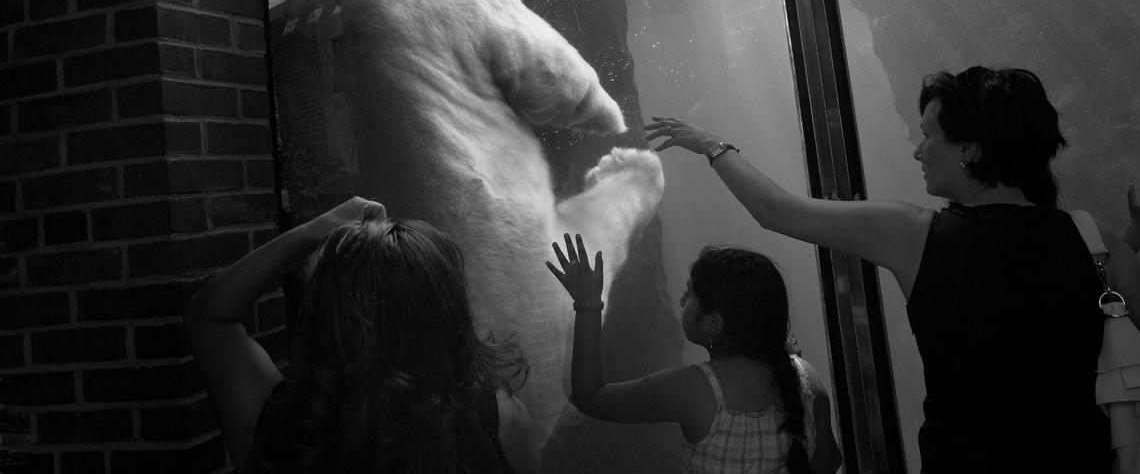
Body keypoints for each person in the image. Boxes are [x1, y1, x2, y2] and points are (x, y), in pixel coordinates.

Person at [645, 65, 1140, 474]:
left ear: (971, 150)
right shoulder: (1091, 237)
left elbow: (776, 212)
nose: (918, 151)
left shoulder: (914, 235)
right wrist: (1136, 235)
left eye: (930, 135)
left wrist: (713, 146)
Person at [185, 197, 542, 474]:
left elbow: (209, 316)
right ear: (447, 312)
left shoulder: (280, 432)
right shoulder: (499, 423)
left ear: (326, 314)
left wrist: (319, 228)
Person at [547, 234, 842, 474]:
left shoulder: (695, 390)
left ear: (713, 322)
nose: (681, 299)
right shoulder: (806, 377)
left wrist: (588, 304)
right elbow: (830, 461)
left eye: (690, 294)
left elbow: (590, 396)